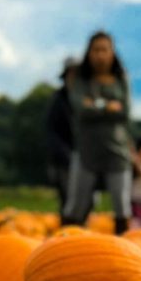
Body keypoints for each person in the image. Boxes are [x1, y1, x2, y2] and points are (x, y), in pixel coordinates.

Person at [62, 31, 134, 235]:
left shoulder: (122, 78)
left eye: (104, 50)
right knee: (76, 204)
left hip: (117, 151)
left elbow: (125, 112)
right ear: (89, 53)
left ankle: (124, 251)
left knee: (121, 204)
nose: (100, 55)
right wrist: (108, 106)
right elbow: (80, 109)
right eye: (96, 50)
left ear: (112, 53)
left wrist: (95, 104)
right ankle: (62, 250)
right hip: (86, 151)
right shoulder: (80, 79)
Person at [45, 57, 80, 214]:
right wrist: (65, 154)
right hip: (64, 158)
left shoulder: (87, 99)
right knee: (67, 199)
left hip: (86, 158)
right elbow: (51, 131)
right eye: (71, 74)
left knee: (86, 199)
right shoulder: (58, 100)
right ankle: (68, 231)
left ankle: (83, 233)